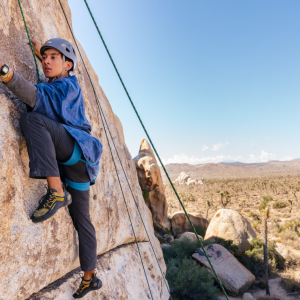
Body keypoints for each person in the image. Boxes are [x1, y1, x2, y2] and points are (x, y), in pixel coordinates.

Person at [0, 37, 103, 298]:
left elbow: (35, 95)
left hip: (75, 150)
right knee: (83, 222)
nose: (46, 61)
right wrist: (43, 54)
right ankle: (90, 277)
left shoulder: (68, 84)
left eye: (53, 57)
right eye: (44, 57)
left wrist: (4, 70)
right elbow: (50, 83)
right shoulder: (62, 81)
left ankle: (56, 191)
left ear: (68, 64)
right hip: (79, 166)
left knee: (33, 120)